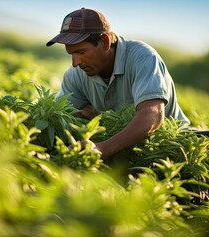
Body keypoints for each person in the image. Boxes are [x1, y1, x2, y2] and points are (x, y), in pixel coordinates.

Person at [46, 8, 190, 160]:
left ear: (105, 42)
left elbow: (152, 116)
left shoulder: (142, 58)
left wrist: (102, 148)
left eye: (81, 52)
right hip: (123, 150)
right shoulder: (75, 75)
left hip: (172, 149)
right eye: (71, 54)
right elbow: (61, 115)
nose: (75, 63)